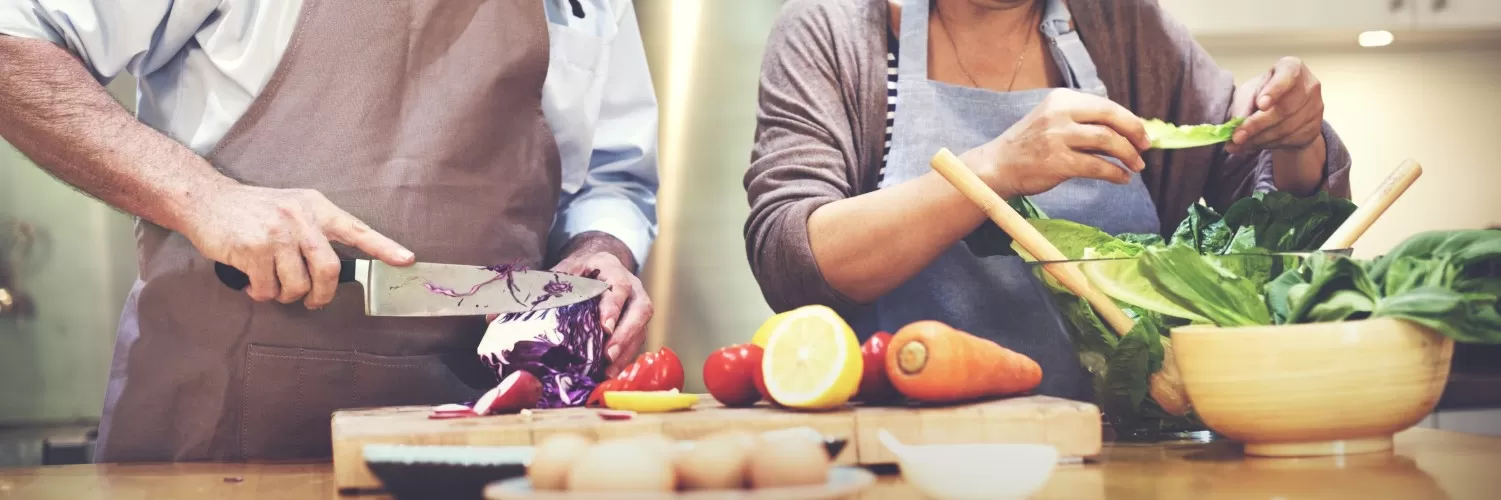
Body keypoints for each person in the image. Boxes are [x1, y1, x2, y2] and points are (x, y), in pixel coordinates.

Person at [0, 0, 658, 461]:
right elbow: (13, 43)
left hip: (489, 440)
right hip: (223, 441)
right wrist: (203, 197)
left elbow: (612, 174)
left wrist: (599, 244)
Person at [743, 0, 1352, 402]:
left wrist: (1297, 141)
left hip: (1126, 450)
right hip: (901, 450)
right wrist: (995, 168)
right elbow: (792, 256)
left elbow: (1265, 238)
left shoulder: (1123, 24)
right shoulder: (836, 29)